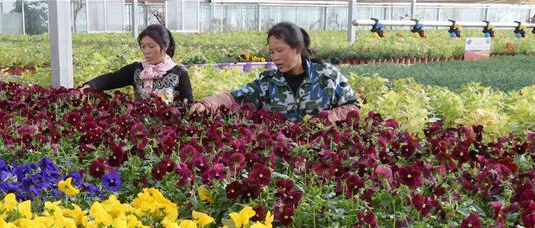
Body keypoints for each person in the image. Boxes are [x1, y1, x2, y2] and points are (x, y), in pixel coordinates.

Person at [189, 22, 358, 123]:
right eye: (271, 52)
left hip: (322, 155)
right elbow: (234, 97)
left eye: (280, 50)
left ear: (298, 48)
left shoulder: (327, 76)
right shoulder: (267, 82)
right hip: (280, 155)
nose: (275, 57)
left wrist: (325, 119)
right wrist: (207, 104)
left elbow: (352, 107)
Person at [81, 24, 192, 104]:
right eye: (143, 46)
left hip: (168, 131)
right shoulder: (136, 69)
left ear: (166, 46)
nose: (146, 51)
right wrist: (89, 86)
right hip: (139, 130)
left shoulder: (179, 73)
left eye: (151, 46)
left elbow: (188, 104)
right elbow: (111, 79)